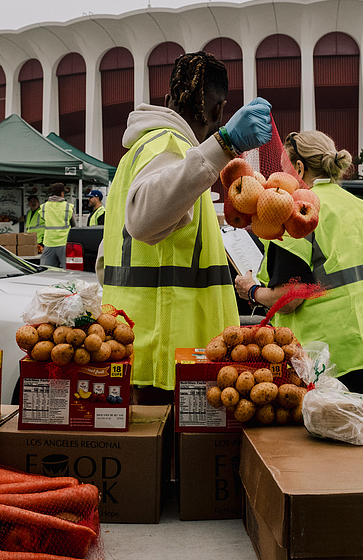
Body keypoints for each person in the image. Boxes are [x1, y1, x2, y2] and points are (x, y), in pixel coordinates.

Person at [102, 51, 272, 402]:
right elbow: (144, 220)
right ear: (218, 111)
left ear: (167, 100)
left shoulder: (135, 155)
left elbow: (107, 262)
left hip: (138, 349)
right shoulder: (171, 146)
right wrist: (225, 145)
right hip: (168, 360)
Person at [233, 130, 363, 407]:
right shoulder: (358, 205)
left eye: (284, 168)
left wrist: (252, 290)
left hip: (331, 360)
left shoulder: (296, 213)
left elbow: (290, 298)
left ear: (299, 168)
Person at [40, 182, 75, 268]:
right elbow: (74, 226)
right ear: (62, 193)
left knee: (46, 271)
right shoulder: (68, 207)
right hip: (64, 243)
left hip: (49, 243)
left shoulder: (44, 207)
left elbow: (44, 219)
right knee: (68, 271)